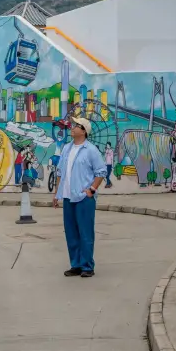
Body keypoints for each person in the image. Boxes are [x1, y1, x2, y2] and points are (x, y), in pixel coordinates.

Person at [53, 117, 106, 278]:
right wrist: (57, 194)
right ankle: (75, 264)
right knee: (71, 232)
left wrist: (91, 189)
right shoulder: (67, 148)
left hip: (84, 198)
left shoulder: (90, 150)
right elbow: (60, 172)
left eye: (76, 125)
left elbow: (101, 171)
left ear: (83, 131)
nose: (72, 127)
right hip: (68, 196)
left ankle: (87, 265)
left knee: (85, 232)